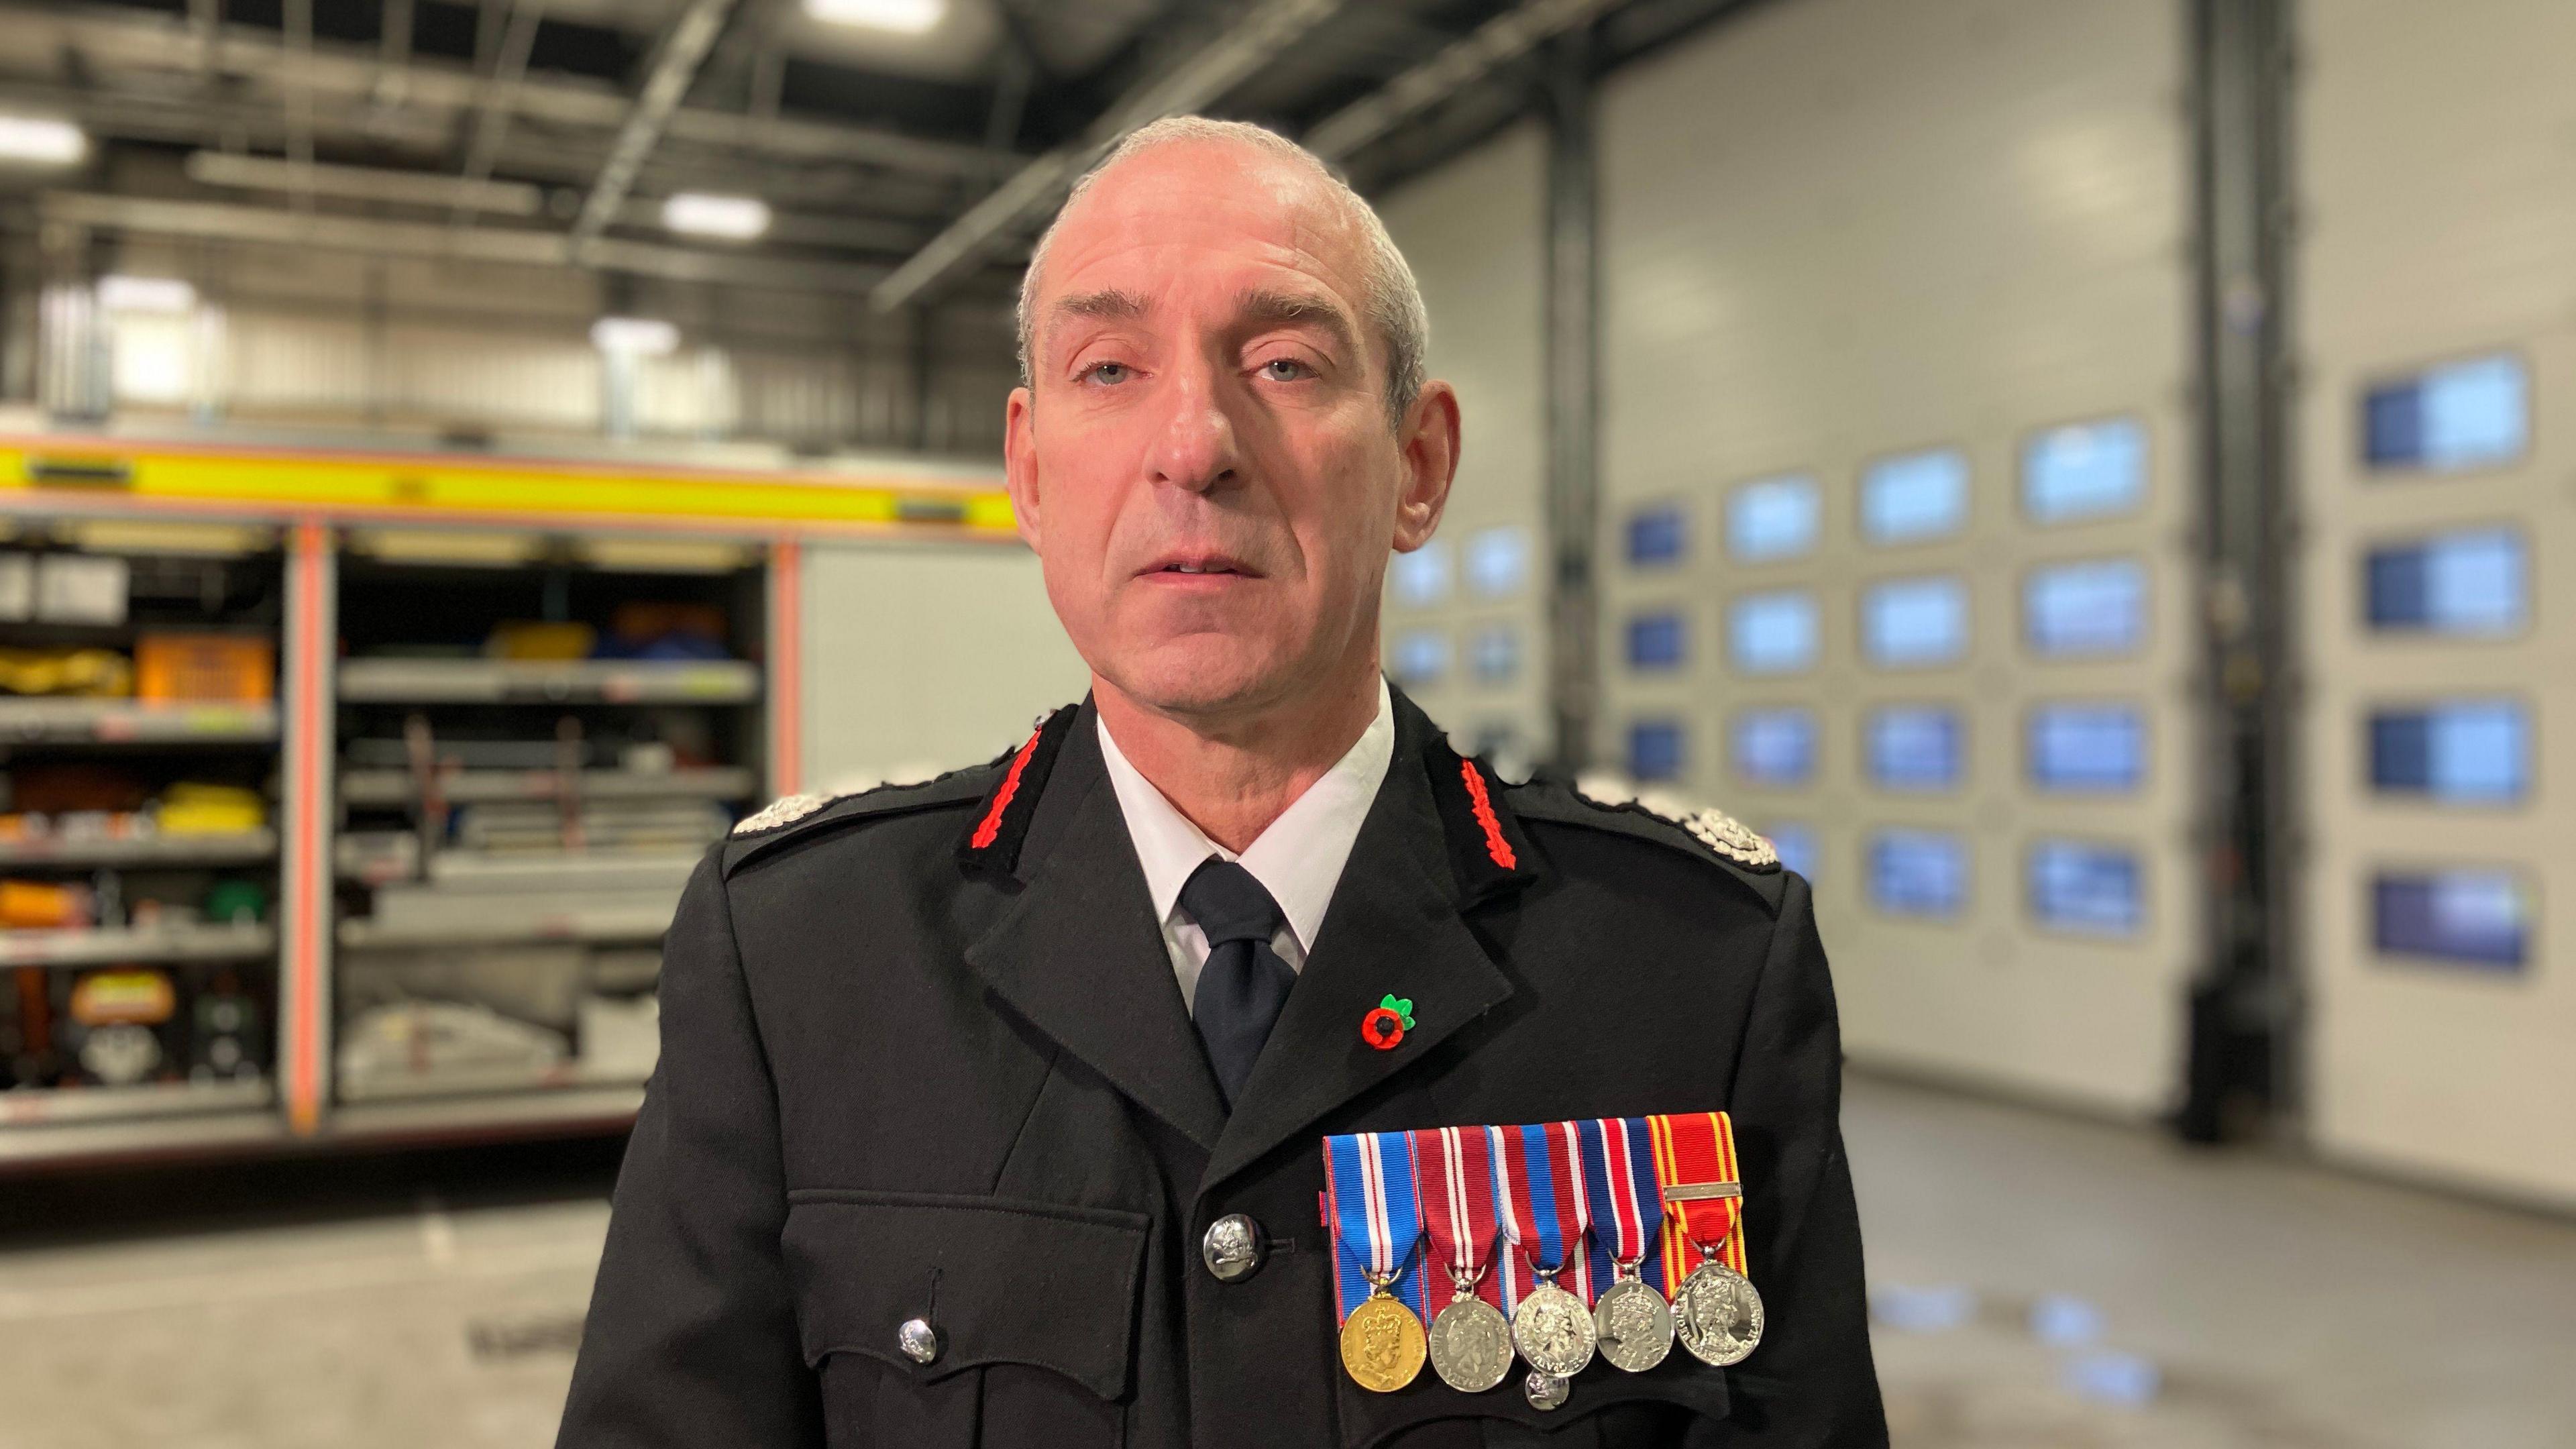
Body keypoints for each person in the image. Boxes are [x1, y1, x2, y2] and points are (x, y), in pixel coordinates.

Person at [557, 115, 1886, 1448]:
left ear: (1419, 465)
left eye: (1287, 362)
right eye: (1111, 366)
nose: (1193, 443)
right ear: (1028, 470)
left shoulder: (1692, 968)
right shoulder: (802, 960)